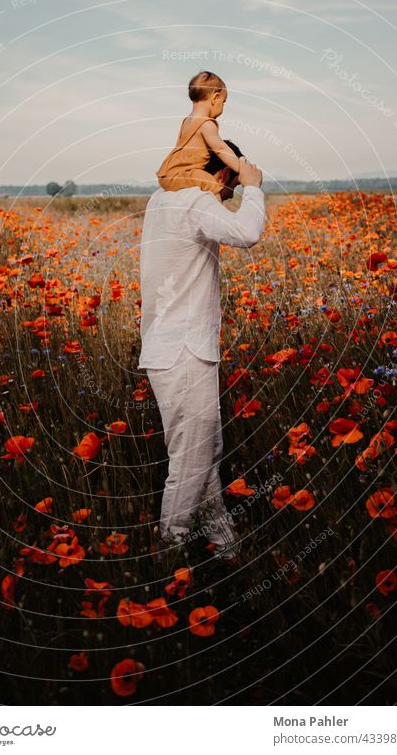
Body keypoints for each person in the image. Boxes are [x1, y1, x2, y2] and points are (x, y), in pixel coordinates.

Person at [139, 143, 265, 560]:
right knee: (192, 457)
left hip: (167, 347)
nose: (228, 195)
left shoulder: (162, 199)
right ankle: (168, 554)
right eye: (232, 181)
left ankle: (227, 548)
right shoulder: (194, 201)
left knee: (202, 453)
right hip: (185, 348)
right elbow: (247, 233)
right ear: (224, 173)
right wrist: (255, 188)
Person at [156, 71, 246, 194]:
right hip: (186, 173)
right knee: (215, 187)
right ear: (215, 97)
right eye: (223, 102)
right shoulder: (206, 124)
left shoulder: (187, 121)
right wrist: (242, 169)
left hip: (167, 174)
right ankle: (217, 209)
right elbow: (221, 149)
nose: (222, 107)